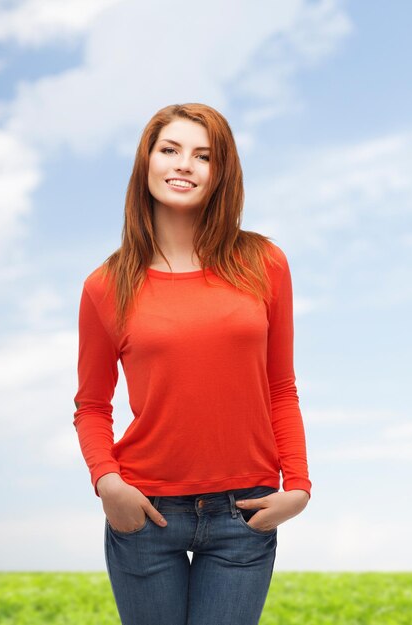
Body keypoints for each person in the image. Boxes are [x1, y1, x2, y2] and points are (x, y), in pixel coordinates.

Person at [73, 103, 312, 625]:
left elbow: (280, 387)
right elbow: (92, 405)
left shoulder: (263, 264)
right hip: (146, 510)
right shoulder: (105, 286)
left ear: (221, 173)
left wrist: (297, 485)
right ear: (147, 162)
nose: (184, 165)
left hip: (243, 514)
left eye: (203, 156)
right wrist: (108, 483)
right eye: (170, 150)